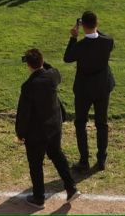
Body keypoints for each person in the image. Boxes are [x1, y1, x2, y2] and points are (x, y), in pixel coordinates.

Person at [16, 48, 79, 207]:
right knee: (57, 155)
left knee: (36, 165)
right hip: (54, 127)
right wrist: (41, 62)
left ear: (28, 65)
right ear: (42, 61)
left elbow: (24, 113)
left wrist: (20, 132)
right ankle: (71, 188)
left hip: (36, 133)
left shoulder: (29, 85)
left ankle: (38, 198)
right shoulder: (53, 75)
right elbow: (50, 69)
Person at [63, 11, 115, 174]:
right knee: (102, 123)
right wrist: (94, 30)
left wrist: (73, 37)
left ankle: (84, 160)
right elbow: (103, 36)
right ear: (96, 24)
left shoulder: (80, 46)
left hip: (84, 89)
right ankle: (101, 160)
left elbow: (67, 57)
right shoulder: (107, 42)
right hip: (102, 87)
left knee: (80, 123)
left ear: (83, 26)